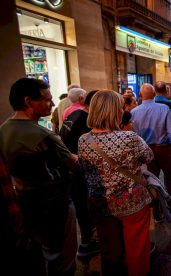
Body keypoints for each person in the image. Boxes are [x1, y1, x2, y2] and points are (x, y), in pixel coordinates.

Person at [0, 78, 78, 275]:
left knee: (39, 253)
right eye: (47, 100)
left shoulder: (4, 129)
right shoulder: (42, 135)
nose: (53, 105)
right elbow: (73, 163)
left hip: (24, 200)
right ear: (28, 101)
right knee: (62, 257)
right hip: (53, 204)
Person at [78, 90, 153, 276]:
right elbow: (148, 156)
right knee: (136, 249)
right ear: (116, 112)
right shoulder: (129, 137)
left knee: (109, 250)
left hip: (100, 202)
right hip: (131, 201)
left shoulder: (83, 140)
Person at [131, 84, 171, 222]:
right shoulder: (164, 108)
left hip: (145, 149)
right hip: (162, 148)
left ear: (140, 95)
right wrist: (169, 144)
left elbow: (134, 135)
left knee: (152, 180)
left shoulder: (134, 112)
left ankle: (156, 211)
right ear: (154, 94)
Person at [60, 90, 100, 258]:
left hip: (70, 168)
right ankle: (86, 243)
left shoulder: (73, 114)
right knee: (84, 206)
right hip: (79, 170)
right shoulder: (86, 121)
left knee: (81, 205)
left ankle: (86, 240)